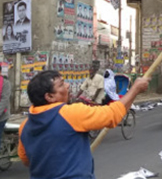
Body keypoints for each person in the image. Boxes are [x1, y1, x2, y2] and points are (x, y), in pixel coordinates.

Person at [18, 70, 150, 178]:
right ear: (49, 97)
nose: (68, 85)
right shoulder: (70, 113)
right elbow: (111, 115)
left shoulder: (25, 126)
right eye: (62, 84)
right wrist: (134, 90)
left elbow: (26, 160)